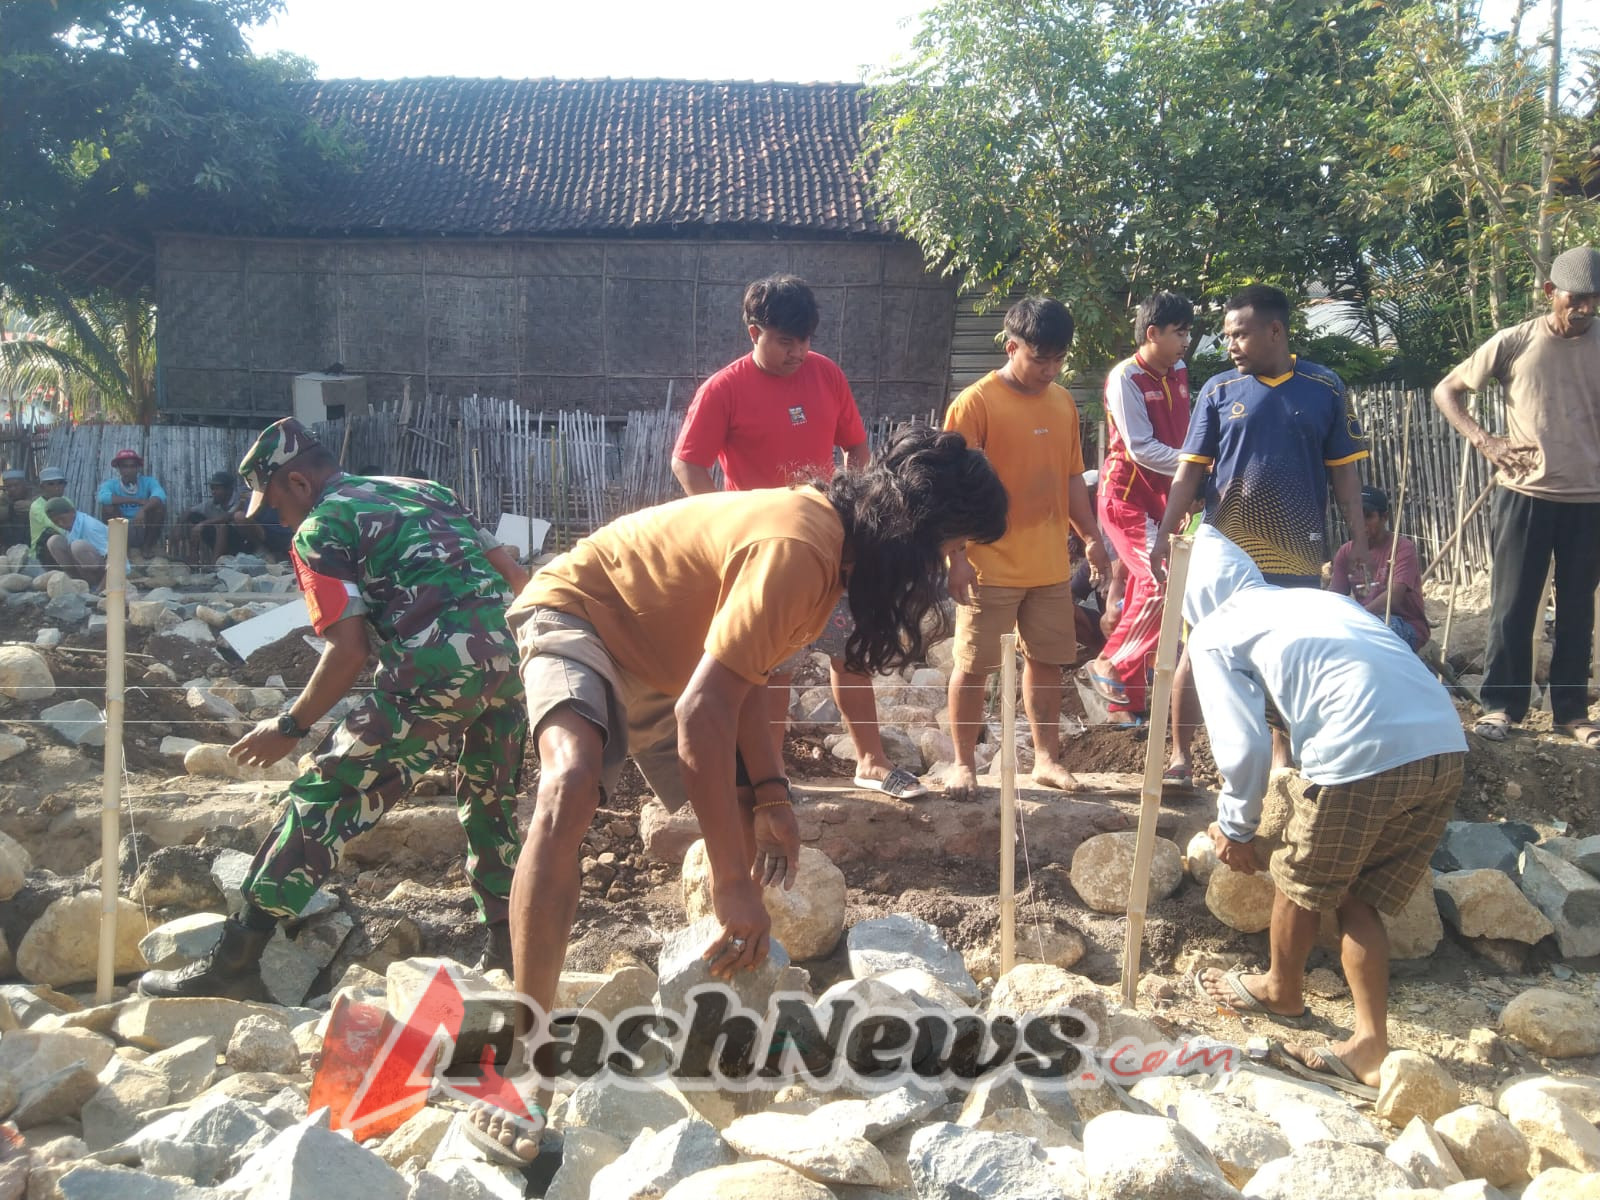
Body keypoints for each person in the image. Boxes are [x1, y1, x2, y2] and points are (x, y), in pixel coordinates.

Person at [467, 426, 1007, 1161]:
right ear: (917, 533)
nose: (952, 571)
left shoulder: (832, 556)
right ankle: (524, 1055)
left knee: (738, 803)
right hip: (583, 613)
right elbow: (702, 714)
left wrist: (774, 798)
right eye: (952, 549)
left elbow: (746, 682)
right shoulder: (800, 547)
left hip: (665, 658)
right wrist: (732, 884)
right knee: (570, 785)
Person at [139, 418, 531, 1000]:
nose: (278, 518)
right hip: (512, 659)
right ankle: (508, 952)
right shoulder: (426, 490)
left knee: (327, 793)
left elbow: (349, 651)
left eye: (275, 502)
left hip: (434, 673)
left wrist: (291, 725)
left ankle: (237, 961)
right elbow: (517, 578)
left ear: (298, 482)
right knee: (491, 799)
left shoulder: (321, 528)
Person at [1184, 525, 1466, 1092]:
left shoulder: (1216, 630)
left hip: (1361, 750)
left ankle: (1282, 991)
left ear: (1194, 599)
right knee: (1358, 895)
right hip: (1444, 744)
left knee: (1299, 880)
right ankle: (1369, 1044)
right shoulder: (1315, 601)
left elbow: (1242, 746)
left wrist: (1236, 827)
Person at [671, 275, 925, 798]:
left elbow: (857, 447)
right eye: (786, 341)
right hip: (765, 551)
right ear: (754, 332)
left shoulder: (826, 375)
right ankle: (772, 777)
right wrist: (725, 519)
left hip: (831, 541)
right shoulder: (723, 389)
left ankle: (872, 762)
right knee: (772, 666)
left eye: (806, 340)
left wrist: (856, 506)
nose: (799, 352)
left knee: (850, 648)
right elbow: (687, 463)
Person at [1151, 284, 1370, 786]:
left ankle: (1281, 759)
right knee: (1199, 648)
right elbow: (1189, 472)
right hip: (1224, 553)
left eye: (1240, 334)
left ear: (1275, 331)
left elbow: (1344, 472)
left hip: (1295, 551)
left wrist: (1358, 539)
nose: (1230, 345)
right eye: (1227, 335)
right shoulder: (1218, 390)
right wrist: (1164, 535)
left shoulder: (1324, 387)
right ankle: (1180, 758)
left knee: (1285, 655)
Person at [942, 296, 1110, 798]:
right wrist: (955, 558)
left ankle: (1046, 760)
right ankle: (962, 764)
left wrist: (1091, 537)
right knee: (973, 665)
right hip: (987, 563)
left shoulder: (1062, 403)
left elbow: (1072, 478)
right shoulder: (973, 404)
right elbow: (950, 491)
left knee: (1047, 661)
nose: (1049, 370)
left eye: (1058, 359)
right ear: (1011, 347)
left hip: (1049, 564)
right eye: (1040, 359)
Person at [1432, 245, 1600, 747]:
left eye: (1594, 299)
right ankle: (1501, 706)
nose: (1586, 308)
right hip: (1525, 494)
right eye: (1576, 298)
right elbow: (1446, 390)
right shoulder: (1515, 341)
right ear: (1550, 292)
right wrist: (1485, 441)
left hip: (1590, 499)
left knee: (1577, 611)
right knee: (1512, 606)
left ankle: (1571, 713)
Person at [1087, 291, 1194, 722]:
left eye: (1188, 332)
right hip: (1125, 498)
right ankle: (1109, 661)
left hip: (1164, 499)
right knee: (1163, 581)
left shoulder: (1180, 371)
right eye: (1180, 332)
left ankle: (1123, 706)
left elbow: (1185, 432)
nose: (1187, 341)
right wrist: (1198, 463)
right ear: (1153, 333)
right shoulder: (1126, 377)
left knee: (1139, 593)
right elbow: (1141, 448)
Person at [1330, 486, 1428, 653]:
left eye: (1368, 516)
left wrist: (1359, 619)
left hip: (1405, 624)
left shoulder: (1401, 548)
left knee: (1372, 635)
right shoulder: (1345, 553)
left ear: (1384, 518)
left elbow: (1394, 597)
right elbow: (1335, 597)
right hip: (1364, 623)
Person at [96, 449, 166, 554]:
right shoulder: (111, 484)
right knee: (107, 507)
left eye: (132, 466)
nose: (129, 470)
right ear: (119, 469)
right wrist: (136, 500)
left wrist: (143, 510)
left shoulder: (148, 481)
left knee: (159, 507)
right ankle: (123, 548)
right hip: (122, 529)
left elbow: (160, 496)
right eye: (125, 466)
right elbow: (103, 497)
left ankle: (147, 547)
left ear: (138, 468)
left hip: (143, 527)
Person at [176, 471, 246, 564]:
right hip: (221, 540)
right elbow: (189, 511)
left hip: (241, 543)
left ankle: (214, 564)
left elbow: (228, 517)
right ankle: (193, 559)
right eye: (212, 488)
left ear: (229, 490)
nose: (213, 492)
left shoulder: (239, 499)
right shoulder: (212, 503)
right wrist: (178, 527)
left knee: (222, 526)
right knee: (193, 517)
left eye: (217, 489)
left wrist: (202, 524)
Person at [43, 497, 109, 587]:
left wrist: (100, 590)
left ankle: (96, 585)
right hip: (84, 570)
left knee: (77, 547)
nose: (61, 524)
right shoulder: (70, 525)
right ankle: (77, 583)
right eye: (56, 522)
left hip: (109, 571)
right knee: (54, 542)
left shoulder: (90, 528)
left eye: (62, 519)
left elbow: (114, 559)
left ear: (72, 512)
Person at [28, 467, 67, 562]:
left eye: (60, 483)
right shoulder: (37, 506)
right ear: (42, 487)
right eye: (51, 484)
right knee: (52, 535)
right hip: (41, 554)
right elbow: (56, 526)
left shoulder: (67, 501)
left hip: (64, 547)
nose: (57, 487)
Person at [1, 468, 33, 551]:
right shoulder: (4, 499)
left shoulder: (34, 495)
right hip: (9, 545)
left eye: (16, 485)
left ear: (24, 484)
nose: (13, 489)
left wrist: (32, 506)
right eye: (9, 486)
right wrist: (11, 509)